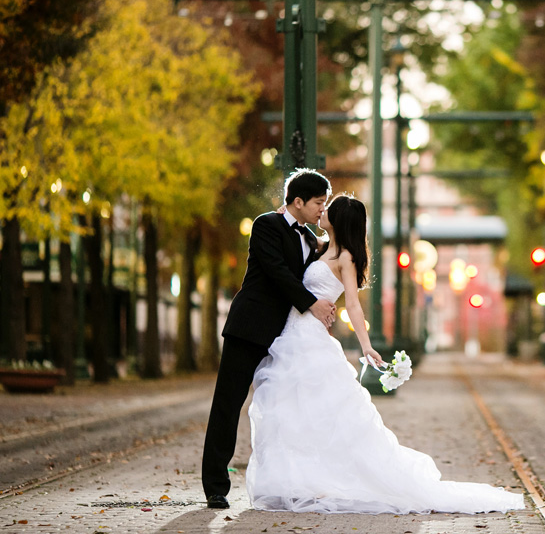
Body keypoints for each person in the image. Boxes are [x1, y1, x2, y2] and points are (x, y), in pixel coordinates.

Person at [246, 193, 525, 514]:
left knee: (316, 410)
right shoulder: (318, 247)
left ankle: (316, 481)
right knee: (290, 410)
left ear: (338, 220)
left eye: (328, 209)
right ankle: (293, 479)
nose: (321, 212)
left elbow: (352, 303)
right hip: (292, 336)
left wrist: (366, 346)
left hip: (311, 340)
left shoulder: (346, 258)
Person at [202, 169, 338, 510]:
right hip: (250, 328)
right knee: (228, 404)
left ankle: (289, 481)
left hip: (287, 336)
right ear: (298, 201)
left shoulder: (310, 239)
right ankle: (216, 486)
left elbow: (330, 258)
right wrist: (312, 303)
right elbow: (277, 271)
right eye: (319, 203)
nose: (322, 209)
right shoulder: (265, 224)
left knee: (285, 409)